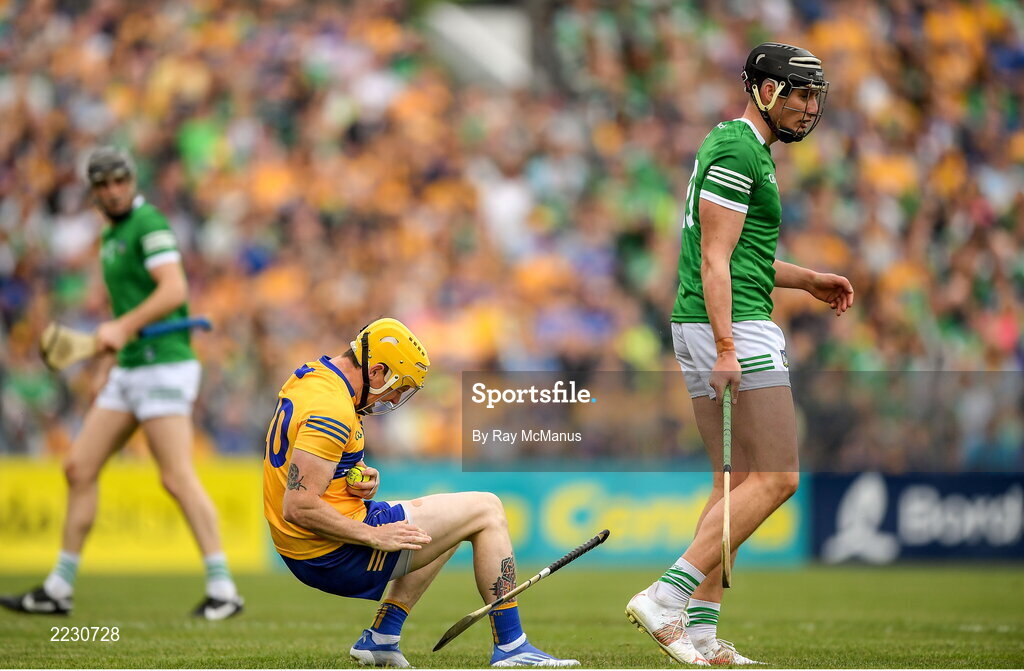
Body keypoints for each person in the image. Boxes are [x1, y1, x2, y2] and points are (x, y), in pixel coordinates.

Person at [625, 43, 854, 665]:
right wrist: (728, 345)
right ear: (763, 89)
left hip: (712, 320)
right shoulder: (736, 148)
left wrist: (806, 279)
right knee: (778, 478)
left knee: (732, 483)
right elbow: (715, 259)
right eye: (799, 93)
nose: (809, 107)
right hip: (731, 326)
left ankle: (699, 630)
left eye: (813, 97)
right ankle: (664, 597)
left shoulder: (744, 148)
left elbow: (742, 256)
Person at [0, 147, 243, 620]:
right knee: (78, 468)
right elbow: (128, 308)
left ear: (132, 181)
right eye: (103, 184)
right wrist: (110, 358)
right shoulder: (110, 234)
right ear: (92, 192)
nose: (112, 190)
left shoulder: (148, 224)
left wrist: (123, 328)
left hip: (164, 364)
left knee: (175, 476)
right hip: (132, 365)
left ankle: (224, 589)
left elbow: (174, 289)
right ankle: (58, 588)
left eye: (119, 180)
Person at [264, 318, 578, 668]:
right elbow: (299, 505)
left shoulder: (312, 377)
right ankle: (512, 647)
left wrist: (353, 475)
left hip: (305, 547)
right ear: (376, 370)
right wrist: (372, 534)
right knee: (487, 509)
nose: (396, 397)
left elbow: (306, 463)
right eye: (399, 386)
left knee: (456, 521)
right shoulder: (332, 410)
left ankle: (382, 639)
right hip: (328, 552)